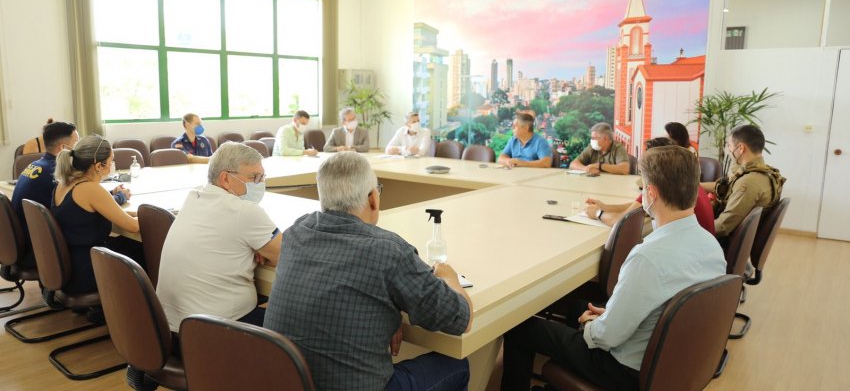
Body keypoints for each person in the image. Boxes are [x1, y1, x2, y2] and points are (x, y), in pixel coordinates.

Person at [501, 146, 726, 390]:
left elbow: (606, 337)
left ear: (651, 193)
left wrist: (589, 326)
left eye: (643, 188)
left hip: (626, 371)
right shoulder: (712, 247)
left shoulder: (647, 256)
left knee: (520, 329)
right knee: (578, 308)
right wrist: (608, 317)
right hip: (671, 363)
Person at [264, 152, 472, 391]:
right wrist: (449, 278)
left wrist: (387, 313)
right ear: (373, 198)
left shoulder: (296, 232)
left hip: (286, 382)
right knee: (458, 366)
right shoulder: (389, 251)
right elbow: (460, 319)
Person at [157, 142, 281, 330]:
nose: (260, 184)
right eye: (254, 177)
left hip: (174, 328)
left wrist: (259, 245)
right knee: (295, 315)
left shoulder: (195, 196)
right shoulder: (243, 211)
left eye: (262, 177)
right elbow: (289, 257)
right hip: (219, 331)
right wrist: (261, 247)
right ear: (225, 178)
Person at [51, 135, 141, 294]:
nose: (112, 165)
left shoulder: (64, 184)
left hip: (72, 264)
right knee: (146, 251)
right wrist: (158, 218)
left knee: (128, 244)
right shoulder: (90, 189)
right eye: (111, 161)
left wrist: (139, 213)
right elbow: (133, 226)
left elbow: (105, 212)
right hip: (90, 269)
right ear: (99, 166)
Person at [585, 137, 715, 235]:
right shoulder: (683, 181)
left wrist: (597, 213)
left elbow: (621, 222)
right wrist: (605, 207)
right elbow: (636, 207)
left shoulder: (660, 187)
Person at [10, 121, 79, 269]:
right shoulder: (56, 172)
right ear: (63, 148)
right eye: (76, 143)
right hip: (39, 247)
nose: (78, 149)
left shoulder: (35, 165)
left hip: (22, 243)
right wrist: (118, 197)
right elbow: (81, 203)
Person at [702, 124, 785, 240]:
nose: (729, 151)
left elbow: (722, 227)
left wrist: (691, 232)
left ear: (741, 148)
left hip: (722, 242)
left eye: (730, 146)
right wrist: (698, 186)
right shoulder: (762, 173)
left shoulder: (748, 183)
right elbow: (726, 185)